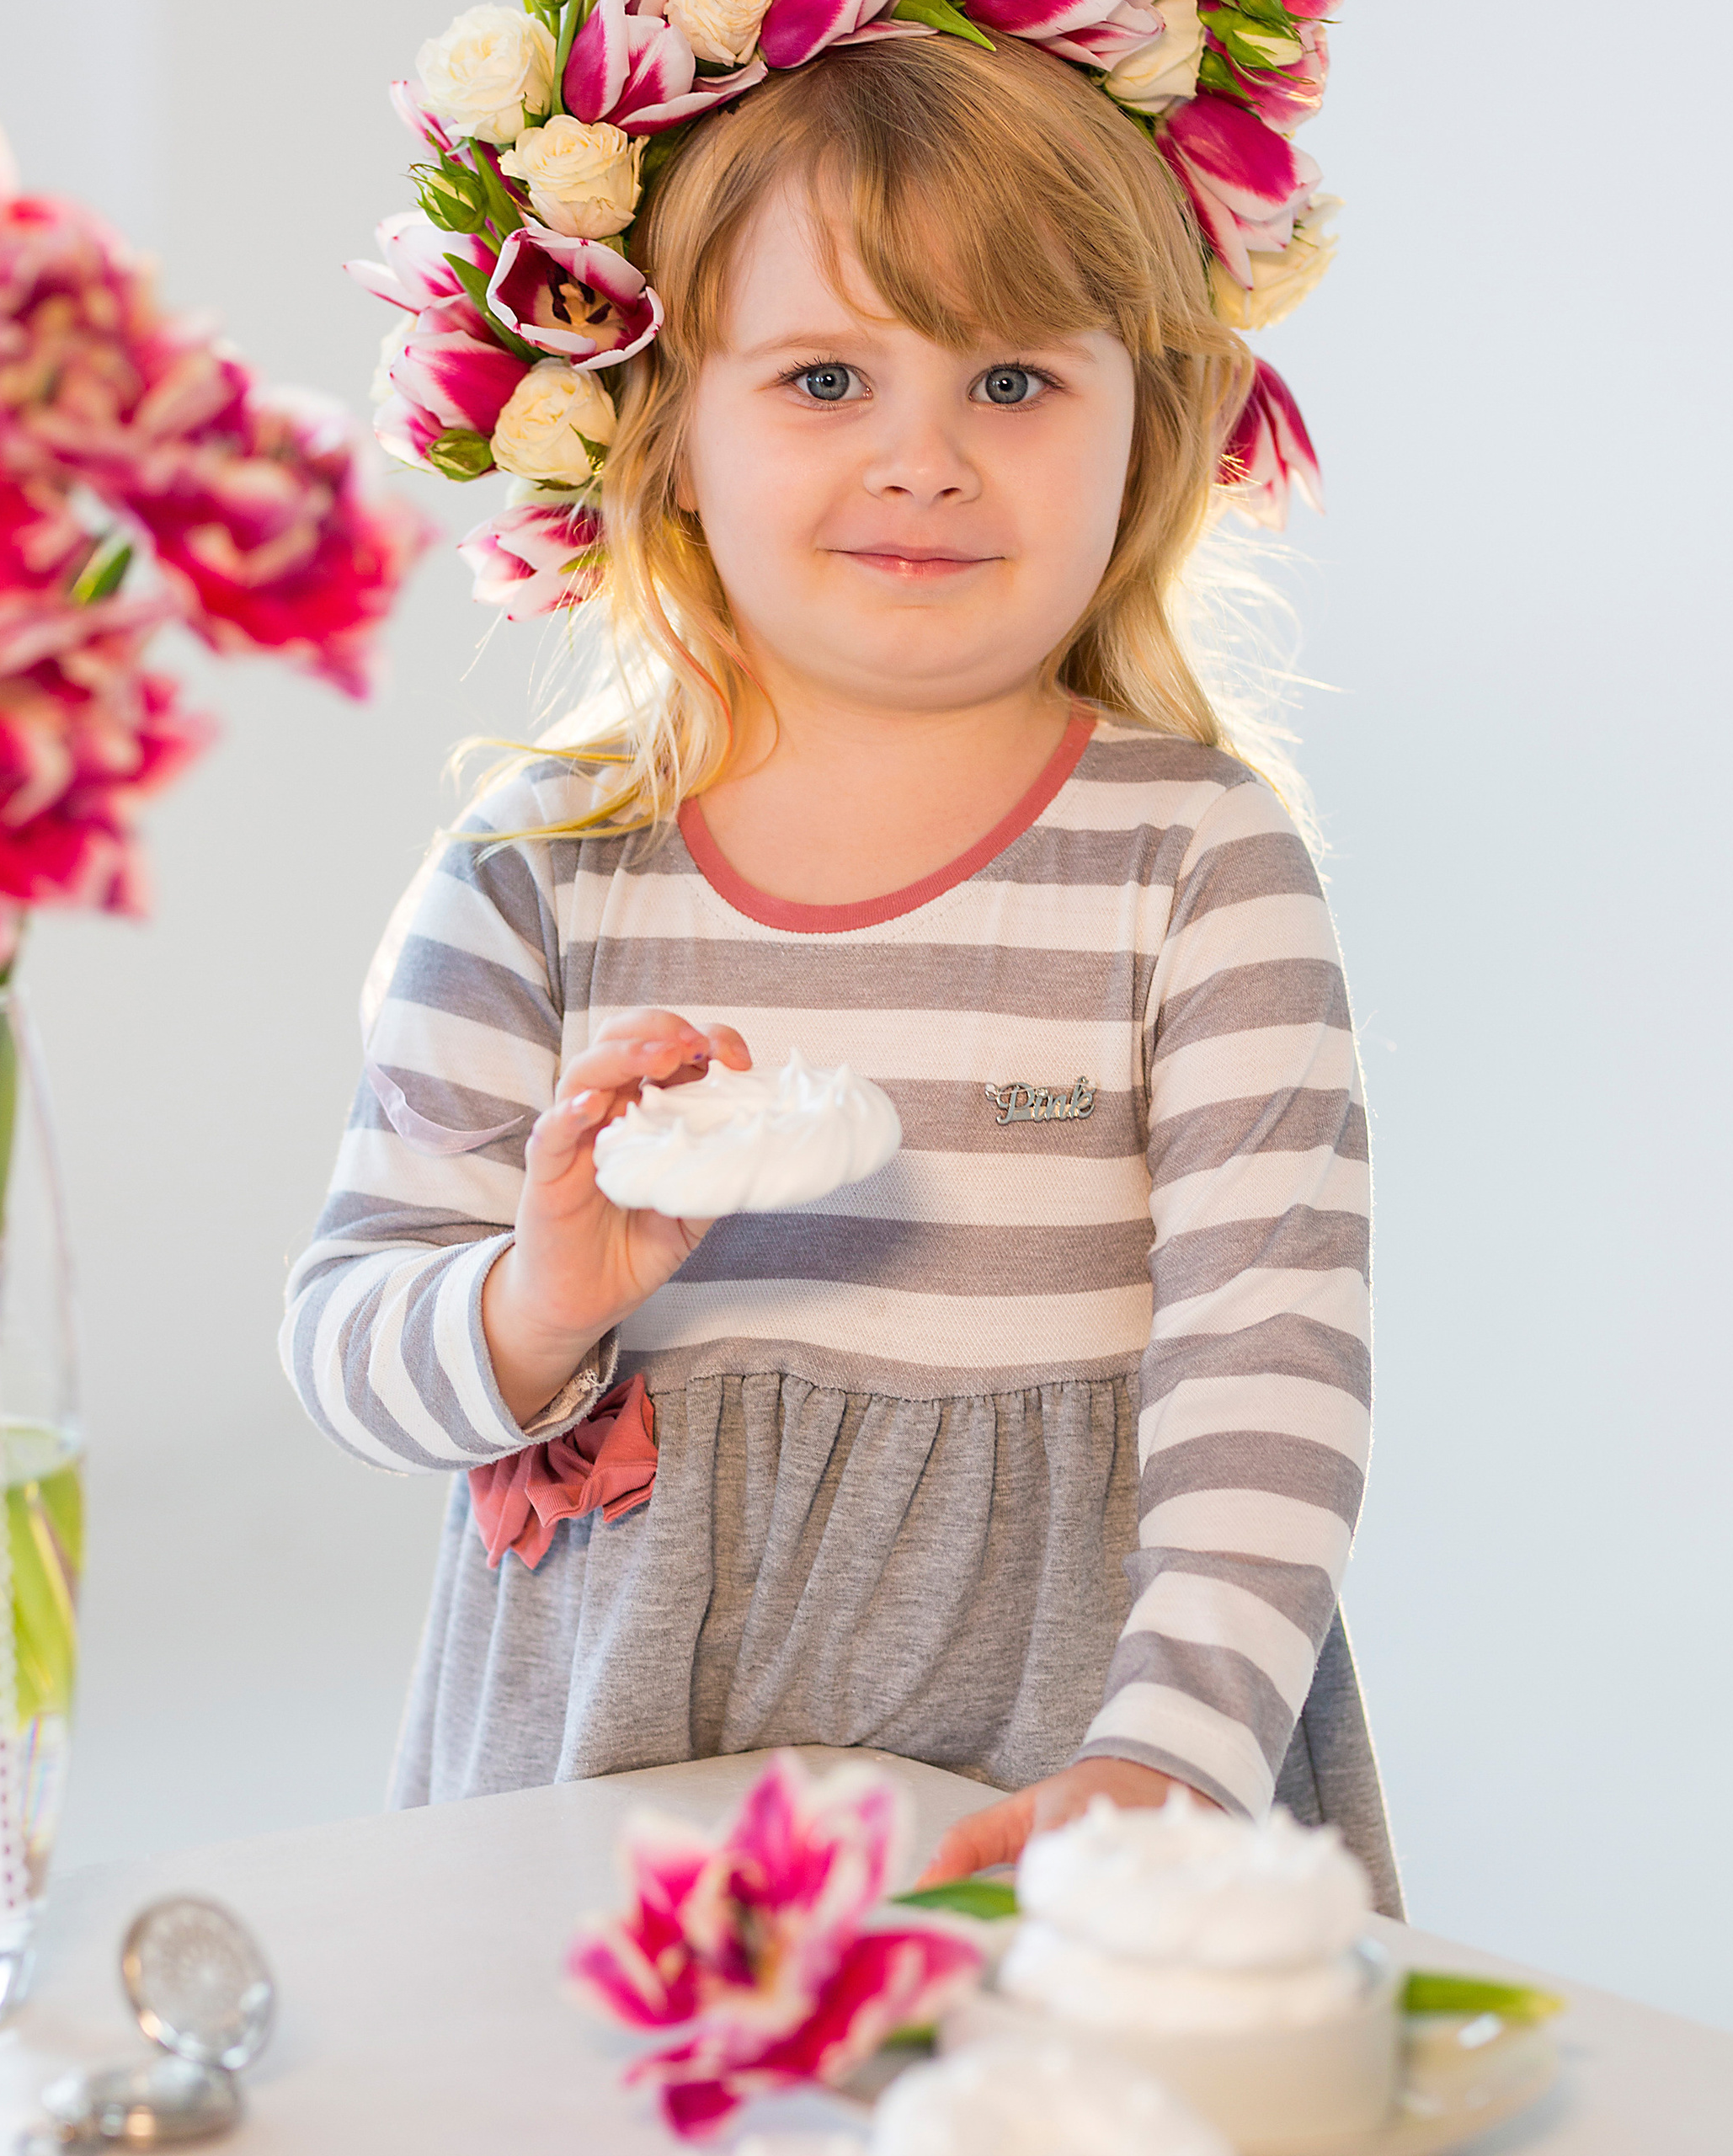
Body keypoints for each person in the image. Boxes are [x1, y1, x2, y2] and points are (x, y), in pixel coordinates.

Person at [284, 20, 1397, 1907]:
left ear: (1145, 425)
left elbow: (1269, 1370)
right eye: (823, 377)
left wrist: (1169, 1757)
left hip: (1071, 1776)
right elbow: (345, 1344)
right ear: (665, 430)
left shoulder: (1197, 862)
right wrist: (535, 1304)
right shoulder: (541, 872)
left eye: (1012, 380)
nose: (923, 460)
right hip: (616, 1787)